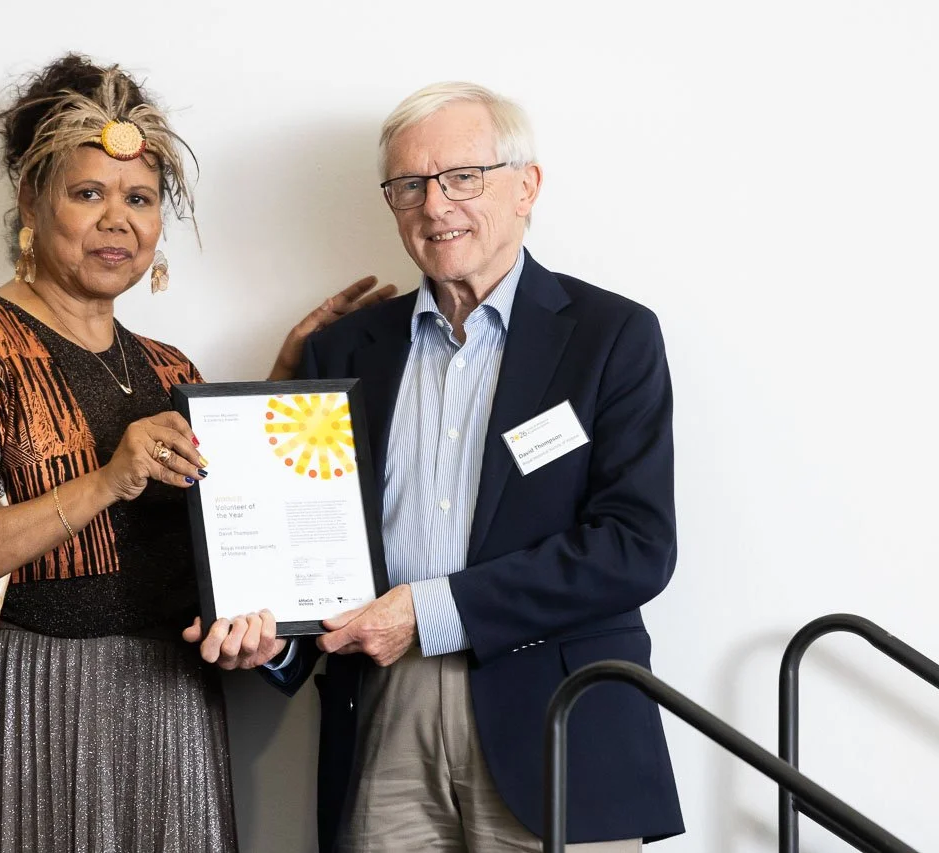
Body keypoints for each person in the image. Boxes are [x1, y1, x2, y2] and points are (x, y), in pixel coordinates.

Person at [0, 53, 389, 853]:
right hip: (7, 712)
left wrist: (279, 393)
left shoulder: (171, 370)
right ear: (30, 201)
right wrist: (108, 479)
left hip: (163, 714)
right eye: (88, 193)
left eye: (139, 198)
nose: (119, 221)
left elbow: (226, 529)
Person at [263, 82, 685, 852]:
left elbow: (635, 545)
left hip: (556, 710)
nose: (435, 206)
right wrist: (277, 632)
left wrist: (426, 611)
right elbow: (307, 539)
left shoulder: (611, 336)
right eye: (409, 186)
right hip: (385, 707)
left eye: (463, 177)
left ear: (527, 186)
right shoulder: (342, 352)